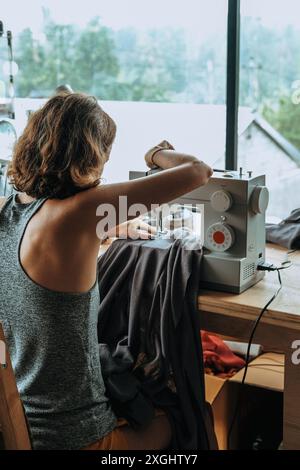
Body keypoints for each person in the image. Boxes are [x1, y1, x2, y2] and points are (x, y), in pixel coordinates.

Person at [0, 91, 213, 450]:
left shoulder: (8, 209)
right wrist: (155, 154)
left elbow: (50, 239)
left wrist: (109, 228)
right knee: (194, 416)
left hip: (24, 427)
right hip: (79, 438)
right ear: (90, 156)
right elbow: (198, 172)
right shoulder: (84, 211)